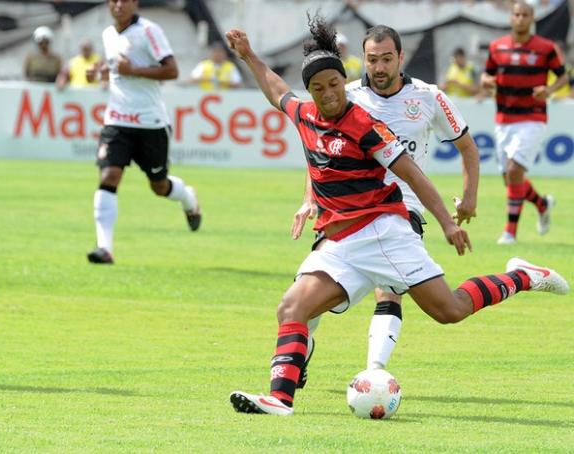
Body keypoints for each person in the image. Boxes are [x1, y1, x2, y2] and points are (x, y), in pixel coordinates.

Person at [225, 14, 569, 416]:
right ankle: (280, 398)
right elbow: (275, 88)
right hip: (340, 242)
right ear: (311, 92)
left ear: (344, 83)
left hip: (383, 232)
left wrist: (446, 222)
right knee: (291, 307)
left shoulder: (365, 125)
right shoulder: (304, 116)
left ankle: (522, 276)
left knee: (450, 310)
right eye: (319, 88)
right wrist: (249, 55)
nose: (329, 94)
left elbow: (413, 175)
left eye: (335, 84)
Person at [292, 24, 480, 388]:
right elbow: (318, 152)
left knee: (389, 289)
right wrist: (307, 201)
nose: (378, 68)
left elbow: (468, 147)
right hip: (347, 212)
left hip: (401, 209)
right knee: (308, 293)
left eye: (386, 59)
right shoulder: (342, 95)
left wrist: (469, 198)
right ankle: (298, 358)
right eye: (372, 60)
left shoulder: (429, 97)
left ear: (401, 58)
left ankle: (374, 376)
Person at [86, 0, 201, 264]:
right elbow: (115, 65)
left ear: (134, 3)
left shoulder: (150, 30)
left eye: (124, 0)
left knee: (159, 186)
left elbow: (172, 70)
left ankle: (188, 197)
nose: (118, 5)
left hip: (150, 122)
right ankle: (105, 248)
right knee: (109, 175)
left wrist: (134, 71)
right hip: (116, 120)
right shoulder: (108, 34)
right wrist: (99, 71)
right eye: (113, 0)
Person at [480, 1, 568, 245]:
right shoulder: (497, 47)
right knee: (511, 180)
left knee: (514, 170)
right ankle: (542, 204)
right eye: (516, 14)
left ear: (532, 18)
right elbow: (486, 74)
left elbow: (564, 78)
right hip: (504, 119)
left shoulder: (546, 48)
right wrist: (486, 81)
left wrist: (548, 90)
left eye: (524, 15)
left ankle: (509, 233)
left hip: (532, 117)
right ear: (511, 18)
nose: (520, 18)